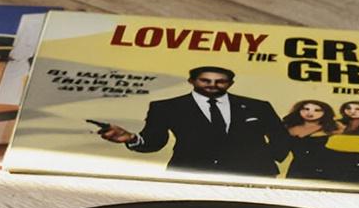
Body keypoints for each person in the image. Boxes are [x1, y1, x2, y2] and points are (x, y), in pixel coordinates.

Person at [94, 66, 289, 177]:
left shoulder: (258, 106)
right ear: (192, 81)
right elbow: (154, 141)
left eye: (220, 81)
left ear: (230, 84)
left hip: (252, 174)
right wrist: (130, 138)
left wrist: (264, 158)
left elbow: (280, 136)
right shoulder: (166, 107)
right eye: (205, 80)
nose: (213, 85)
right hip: (190, 173)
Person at [279, 99, 353, 181]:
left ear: (325, 112)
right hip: (298, 169)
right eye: (306, 109)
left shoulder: (335, 128)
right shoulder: (289, 127)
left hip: (328, 170)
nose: (310, 113)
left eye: (317, 110)